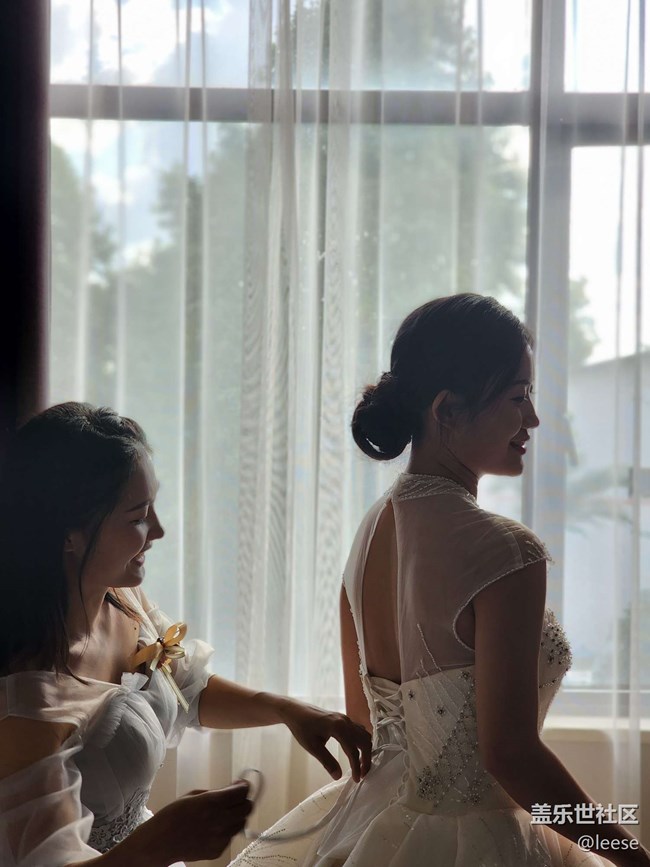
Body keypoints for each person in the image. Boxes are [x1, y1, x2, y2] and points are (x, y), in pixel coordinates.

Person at [230, 294, 650, 867]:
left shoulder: (368, 536)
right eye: (518, 396)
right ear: (447, 409)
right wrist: (630, 856)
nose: (532, 418)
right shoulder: (506, 551)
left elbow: (366, 732)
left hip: (371, 828)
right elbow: (511, 756)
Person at [0, 402, 372, 867]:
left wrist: (286, 710)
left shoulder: (121, 599)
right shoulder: (27, 710)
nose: (157, 530)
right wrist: (160, 843)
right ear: (67, 535)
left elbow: (186, 688)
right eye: (137, 516)